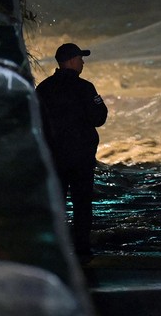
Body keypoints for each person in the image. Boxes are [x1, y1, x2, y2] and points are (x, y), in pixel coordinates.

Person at [35, 43, 109, 260]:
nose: (83, 62)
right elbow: (99, 117)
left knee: (56, 203)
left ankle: (53, 248)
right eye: (80, 58)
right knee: (82, 204)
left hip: (54, 156)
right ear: (71, 61)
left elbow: (36, 121)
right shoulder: (85, 88)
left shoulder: (43, 88)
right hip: (80, 157)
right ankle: (82, 250)